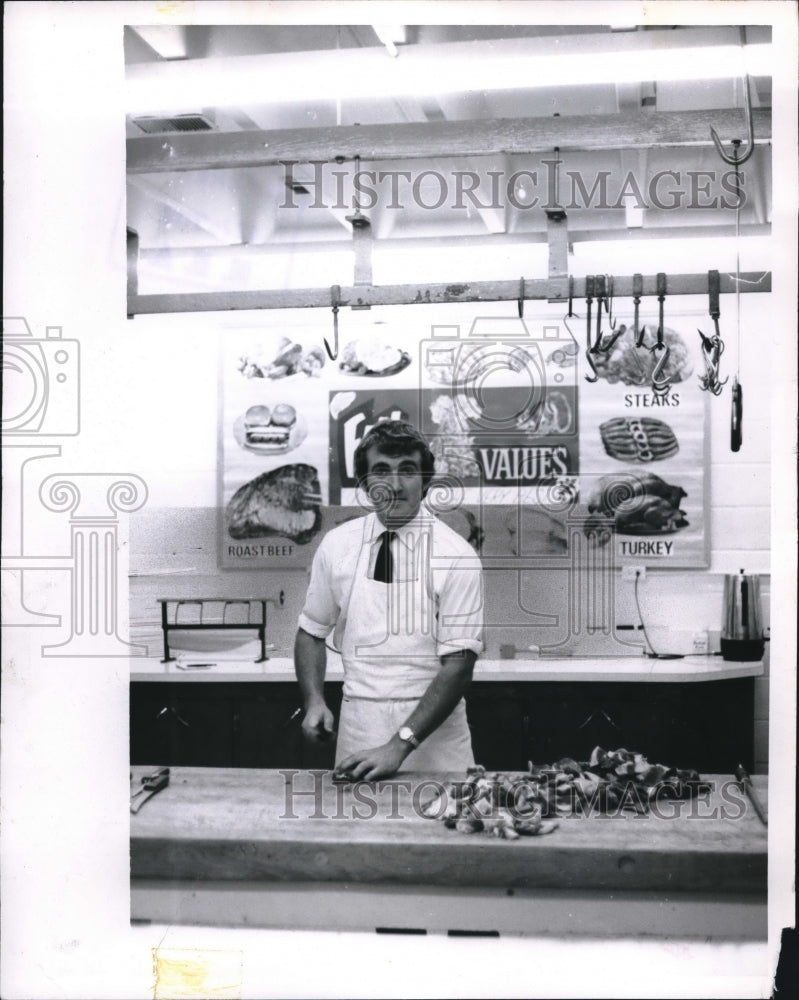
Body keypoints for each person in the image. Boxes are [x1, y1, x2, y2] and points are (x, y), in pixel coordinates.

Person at [294, 419, 485, 779]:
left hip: (436, 744)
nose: (395, 485)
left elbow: (458, 668)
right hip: (358, 729)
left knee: (443, 833)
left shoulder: (456, 556)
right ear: (365, 484)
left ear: (426, 482)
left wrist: (399, 745)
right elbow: (311, 631)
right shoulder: (338, 545)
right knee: (356, 834)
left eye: (408, 471)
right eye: (382, 471)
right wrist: (314, 701)